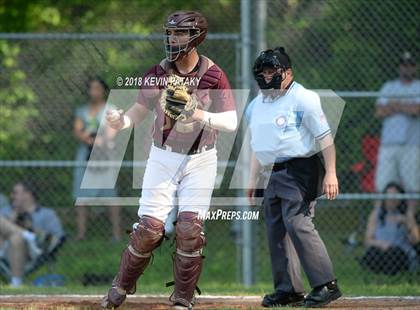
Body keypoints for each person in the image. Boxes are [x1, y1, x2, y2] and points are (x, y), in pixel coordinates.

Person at [101, 11, 237, 309]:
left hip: (201, 159)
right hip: (163, 156)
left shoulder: (213, 74)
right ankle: (121, 286)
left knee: (190, 229)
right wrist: (120, 121)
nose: (172, 39)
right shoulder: (157, 72)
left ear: (196, 37)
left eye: (179, 34)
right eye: (170, 34)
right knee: (149, 230)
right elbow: (138, 112)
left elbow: (231, 122)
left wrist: (197, 114)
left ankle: (182, 299)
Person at [246, 47, 341, 308]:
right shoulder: (256, 104)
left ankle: (326, 284)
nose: (267, 77)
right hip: (270, 173)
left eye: (272, 72)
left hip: (300, 170)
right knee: (276, 230)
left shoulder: (304, 98)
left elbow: (325, 138)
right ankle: (288, 289)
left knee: (298, 223)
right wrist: (252, 180)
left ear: (288, 73)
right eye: (262, 73)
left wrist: (331, 173)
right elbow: (256, 145)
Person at [73, 77, 122, 241]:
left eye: (97, 88)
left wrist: (98, 138)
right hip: (85, 156)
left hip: (105, 156)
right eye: (91, 88)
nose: (94, 92)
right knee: (82, 196)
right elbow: (78, 131)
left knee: (110, 196)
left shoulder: (111, 109)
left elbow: (111, 132)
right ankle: (81, 235)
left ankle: (116, 235)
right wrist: (90, 139)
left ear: (104, 91)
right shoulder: (82, 110)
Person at [375, 52, 419, 216]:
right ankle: (380, 220)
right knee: (382, 185)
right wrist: (406, 106)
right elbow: (379, 111)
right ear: (399, 67)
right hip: (388, 145)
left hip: (412, 145)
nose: (406, 68)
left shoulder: (418, 86)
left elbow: (416, 110)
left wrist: (394, 105)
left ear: (415, 67)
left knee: (412, 186)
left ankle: (410, 220)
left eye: (410, 65)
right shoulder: (389, 86)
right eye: (403, 65)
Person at [0, 181, 65, 287]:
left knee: (17, 238)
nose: (12, 196)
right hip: (6, 249)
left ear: (28, 194)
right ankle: (27, 235)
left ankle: (29, 236)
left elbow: (58, 238)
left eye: (15, 193)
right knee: (16, 236)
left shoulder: (47, 214)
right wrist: (11, 220)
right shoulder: (6, 211)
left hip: (34, 251)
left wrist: (33, 229)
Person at [361, 183, 419, 275]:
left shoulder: (406, 215)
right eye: (389, 196)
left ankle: (393, 272)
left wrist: (406, 221)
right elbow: (368, 240)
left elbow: (416, 240)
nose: (392, 199)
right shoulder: (377, 214)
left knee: (394, 253)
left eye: (395, 196)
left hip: (399, 252)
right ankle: (379, 273)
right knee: (373, 252)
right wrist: (381, 244)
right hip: (381, 250)